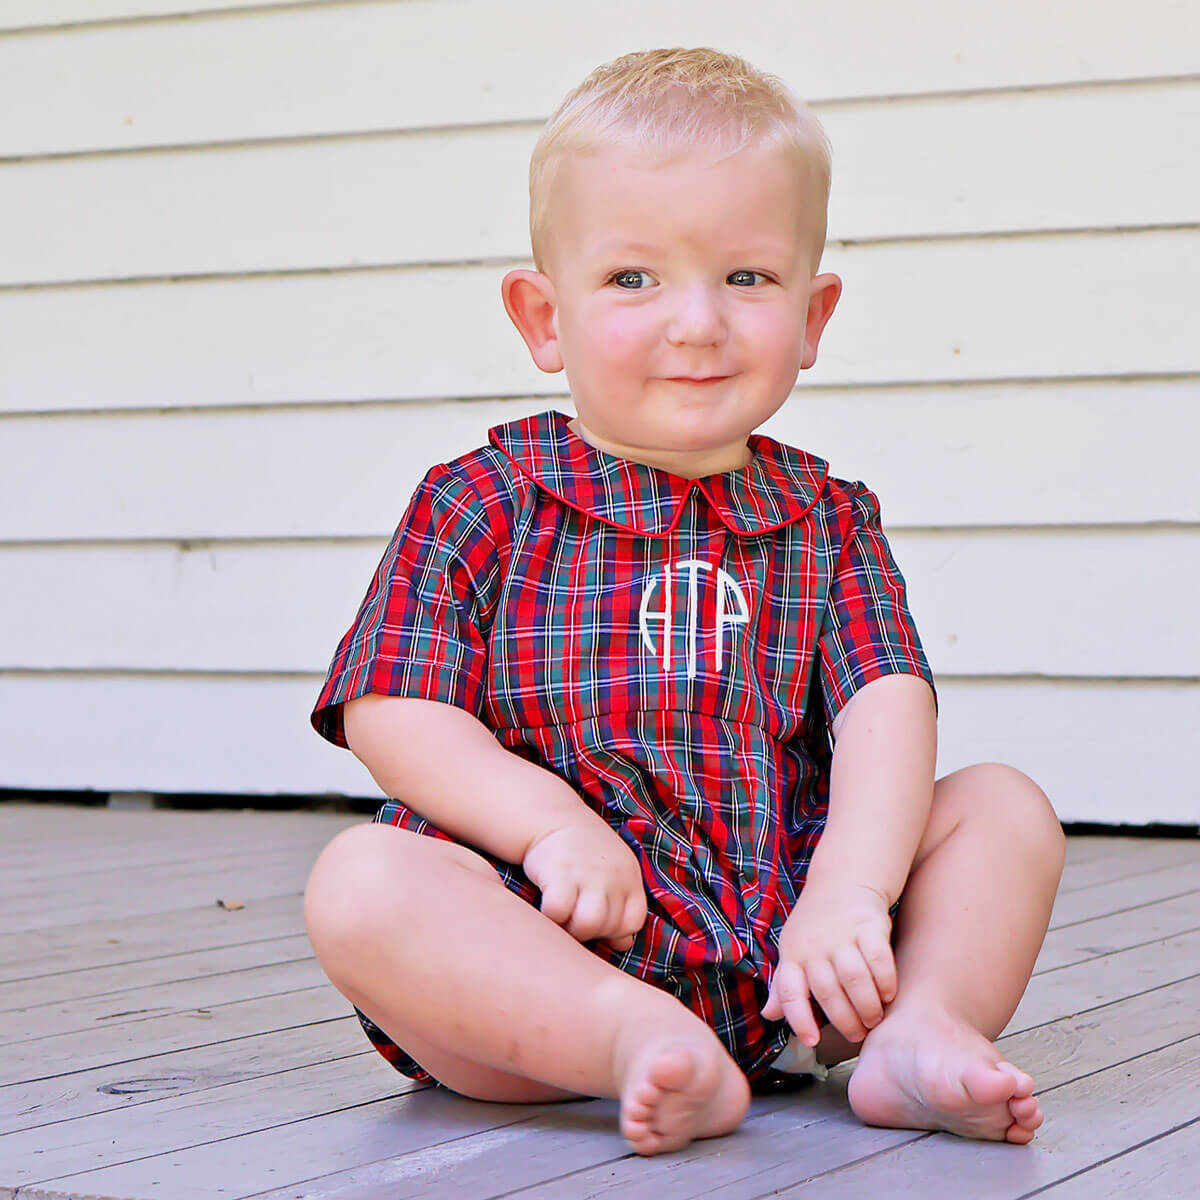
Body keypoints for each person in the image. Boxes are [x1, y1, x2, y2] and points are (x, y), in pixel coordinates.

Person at [302, 46, 1066, 1158]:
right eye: (633, 279)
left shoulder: (826, 517)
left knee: (1002, 806)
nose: (698, 322)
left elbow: (884, 705)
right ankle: (625, 1040)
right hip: (549, 938)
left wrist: (851, 894)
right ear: (542, 317)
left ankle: (918, 1027)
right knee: (363, 883)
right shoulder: (483, 501)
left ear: (814, 314)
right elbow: (393, 706)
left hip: (794, 954)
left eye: (748, 278)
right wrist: (551, 827)